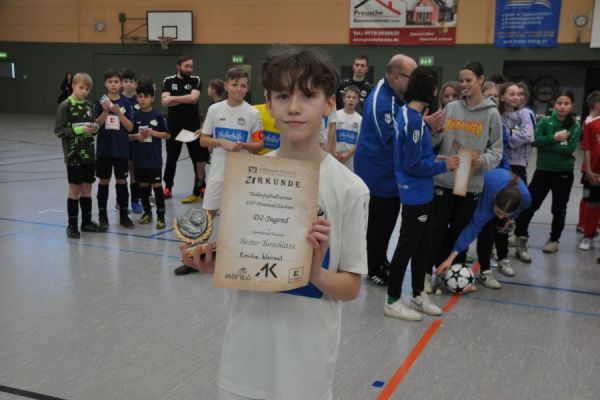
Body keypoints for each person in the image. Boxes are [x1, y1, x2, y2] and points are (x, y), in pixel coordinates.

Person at [181, 46, 369, 400]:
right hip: (244, 355)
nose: (294, 107)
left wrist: (315, 272)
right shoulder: (248, 176)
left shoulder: (349, 189)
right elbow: (243, 258)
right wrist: (212, 261)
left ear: (329, 103)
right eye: (283, 96)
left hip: (305, 366)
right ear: (267, 101)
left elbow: (351, 286)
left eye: (308, 96)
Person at [170, 67, 263, 276]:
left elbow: (259, 145)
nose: (239, 89)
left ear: (248, 88)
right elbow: (203, 140)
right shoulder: (215, 110)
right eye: (235, 84)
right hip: (217, 174)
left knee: (238, 217)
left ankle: (235, 259)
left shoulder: (252, 113)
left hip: (241, 176)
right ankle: (194, 259)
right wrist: (222, 142)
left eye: (244, 86)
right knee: (207, 215)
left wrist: (243, 145)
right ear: (226, 86)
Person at [385, 66, 459, 321]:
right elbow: (412, 164)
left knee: (423, 247)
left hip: (423, 193)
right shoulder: (414, 121)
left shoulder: (408, 115)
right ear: (428, 89)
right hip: (415, 194)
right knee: (406, 248)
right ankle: (392, 299)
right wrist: (443, 165)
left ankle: (417, 293)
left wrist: (433, 156)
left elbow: (416, 155)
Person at [429, 61, 503, 289]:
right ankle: (426, 272)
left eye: (468, 80)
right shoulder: (451, 109)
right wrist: (433, 132)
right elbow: (435, 142)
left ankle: (454, 274)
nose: (463, 85)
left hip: (470, 184)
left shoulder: (491, 114)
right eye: (461, 80)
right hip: (444, 182)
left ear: (481, 80)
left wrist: (484, 161)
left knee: (459, 233)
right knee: (435, 231)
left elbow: (497, 150)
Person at [354, 54, 416, 285]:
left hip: (388, 174)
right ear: (394, 75)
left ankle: (381, 260)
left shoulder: (393, 94)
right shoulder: (382, 100)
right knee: (380, 223)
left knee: (388, 220)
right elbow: (391, 140)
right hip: (378, 175)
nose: (414, 82)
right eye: (412, 77)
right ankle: (374, 267)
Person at [436, 169, 531, 290]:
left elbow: (519, 210)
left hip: (505, 187)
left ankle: (498, 261)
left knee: (500, 227)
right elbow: (471, 230)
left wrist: (511, 218)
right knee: (487, 230)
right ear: (494, 200)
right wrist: (451, 258)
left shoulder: (526, 199)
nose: (500, 217)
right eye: (497, 212)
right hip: (485, 183)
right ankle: (484, 269)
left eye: (504, 214)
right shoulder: (488, 201)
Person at [514, 90, 581, 259]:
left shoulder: (575, 125)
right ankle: (521, 235)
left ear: (572, 105)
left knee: (559, 208)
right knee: (529, 203)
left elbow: (569, 149)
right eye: (559, 103)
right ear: (554, 105)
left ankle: (554, 239)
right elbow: (535, 140)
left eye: (566, 103)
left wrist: (547, 145)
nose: (562, 107)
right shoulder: (545, 121)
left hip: (563, 173)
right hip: (543, 171)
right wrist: (554, 138)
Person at [54, 72, 100, 238]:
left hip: (89, 154)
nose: (84, 91)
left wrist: (94, 128)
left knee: (87, 188)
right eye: (81, 87)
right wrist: (79, 130)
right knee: (75, 188)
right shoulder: (65, 106)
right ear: (73, 86)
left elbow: (92, 129)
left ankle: (86, 222)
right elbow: (59, 131)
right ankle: (72, 225)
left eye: (87, 89)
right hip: (74, 155)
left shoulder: (89, 106)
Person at [161, 55, 208, 204]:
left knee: (197, 160)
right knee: (171, 159)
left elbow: (193, 99)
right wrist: (185, 99)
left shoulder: (196, 80)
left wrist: (173, 98)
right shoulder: (168, 81)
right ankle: (168, 187)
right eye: (186, 66)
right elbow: (165, 103)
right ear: (178, 66)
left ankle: (201, 186)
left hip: (192, 128)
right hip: (174, 127)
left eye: (191, 66)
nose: (189, 69)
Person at [94, 69, 135, 231]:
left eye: (116, 82)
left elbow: (130, 127)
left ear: (121, 84)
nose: (113, 85)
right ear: (106, 84)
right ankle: (103, 217)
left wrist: (119, 113)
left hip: (121, 150)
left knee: (121, 181)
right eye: (110, 82)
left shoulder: (126, 103)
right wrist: (105, 111)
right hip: (104, 150)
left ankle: (124, 216)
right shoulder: (100, 102)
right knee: (103, 181)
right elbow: (96, 126)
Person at [130, 76, 170, 229]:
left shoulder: (158, 115)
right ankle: (147, 212)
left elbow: (167, 135)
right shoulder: (134, 116)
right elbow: (128, 136)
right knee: (143, 186)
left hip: (153, 159)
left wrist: (153, 133)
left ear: (152, 98)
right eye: (140, 96)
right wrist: (136, 136)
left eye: (146, 97)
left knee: (157, 185)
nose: (142, 99)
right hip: (139, 159)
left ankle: (160, 215)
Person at [577, 90, 600, 250]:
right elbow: (586, 148)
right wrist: (589, 171)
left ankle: (591, 227)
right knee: (589, 201)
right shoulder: (589, 123)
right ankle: (587, 232)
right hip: (591, 172)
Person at [120, 68, 143, 214]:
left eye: (131, 82)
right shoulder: (118, 101)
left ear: (136, 84)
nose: (128, 84)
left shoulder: (139, 101)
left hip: (137, 142)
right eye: (126, 81)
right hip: (121, 142)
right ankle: (120, 202)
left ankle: (135, 201)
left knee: (134, 171)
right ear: (122, 83)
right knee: (121, 173)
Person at [332, 85, 362, 171]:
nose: (351, 99)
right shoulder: (335, 115)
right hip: (335, 155)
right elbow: (331, 136)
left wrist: (348, 154)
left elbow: (359, 142)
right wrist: (334, 152)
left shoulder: (360, 119)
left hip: (350, 158)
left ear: (358, 101)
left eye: (354, 97)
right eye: (348, 97)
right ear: (343, 98)